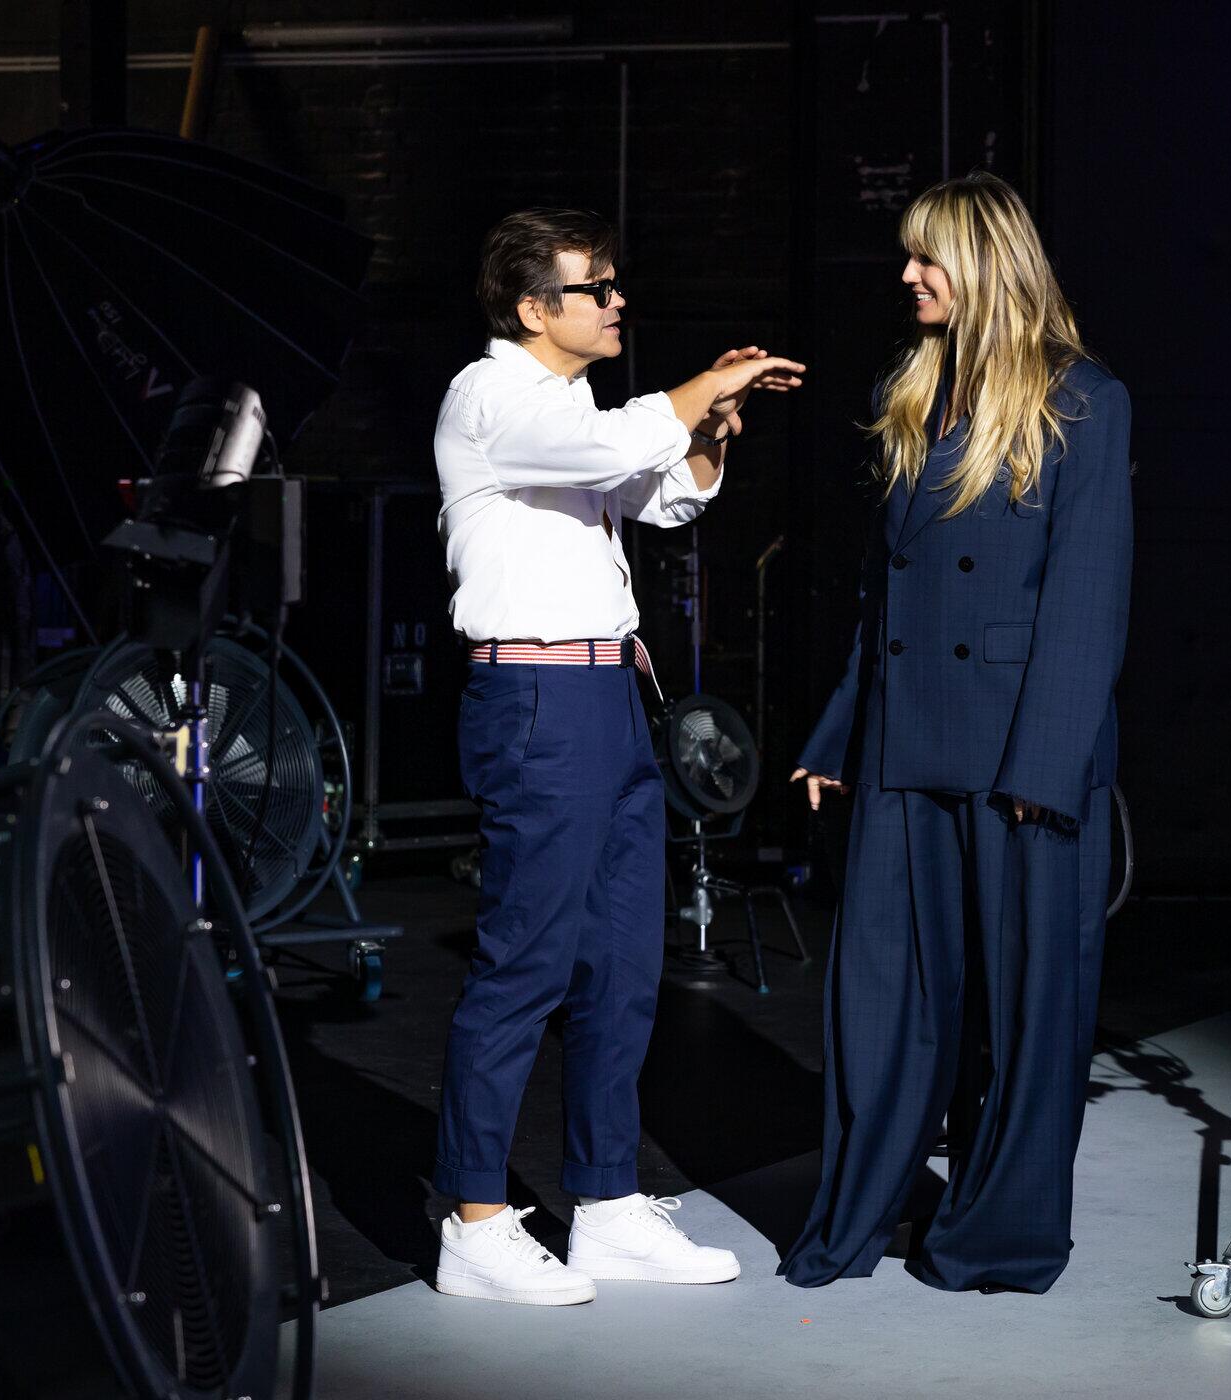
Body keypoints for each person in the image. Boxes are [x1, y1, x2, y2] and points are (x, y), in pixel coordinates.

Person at [430, 206, 805, 1305]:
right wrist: (695, 389)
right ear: (532, 307)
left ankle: (605, 1203)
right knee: (526, 964)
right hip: (538, 699)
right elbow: (610, 451)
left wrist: (711, 426)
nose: (615, 300)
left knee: (624, 965)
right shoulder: (488, 395)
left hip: (610, 695)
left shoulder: (575, 406)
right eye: (594, 288)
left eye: (612, 282)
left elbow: (664, 497)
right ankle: (473, 1221)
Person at [780, 171, 1132, 1294]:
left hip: (1022, 752)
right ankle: (856, 1215)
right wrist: (841, 732)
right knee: (885, 995)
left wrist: (1047, 767)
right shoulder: (916, 389)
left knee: (1030, 1012)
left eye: (927, 256)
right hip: (906, 739)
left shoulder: (1085, 400)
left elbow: (1087, 598)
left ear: (984, 264)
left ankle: (999, 1237)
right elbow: (887, 589)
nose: (908, 275)